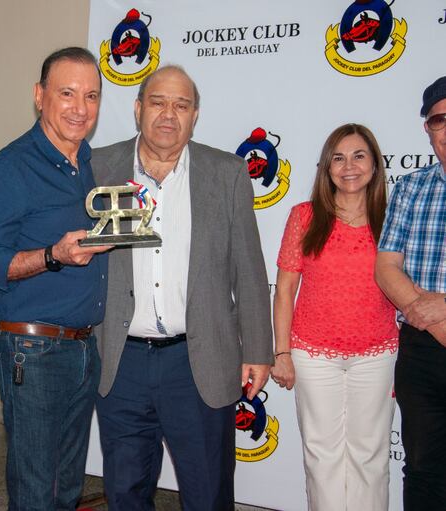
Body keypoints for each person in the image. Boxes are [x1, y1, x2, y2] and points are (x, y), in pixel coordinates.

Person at [92, 65, 273, 511]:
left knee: (207, 493)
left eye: (181, 105)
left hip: (199, 363)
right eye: (157, 102)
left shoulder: (226, 172)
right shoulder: (99, 166)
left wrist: (258, 350)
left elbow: (248, 269)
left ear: (195, 116)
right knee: (124, 492)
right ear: (138, 110)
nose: (168, 114)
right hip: (121, 362)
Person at [0, 47, 110, 510]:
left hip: (84, 346)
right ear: (39, 96)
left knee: (65, 490)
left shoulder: (92, 166)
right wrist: (53, 255)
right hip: (34, 351)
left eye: (90, 95)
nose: (80, 107)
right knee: (35, 492)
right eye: (67, 93)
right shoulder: (12, 167)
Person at [270, 123, 398, 510]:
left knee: (370, 457)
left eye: (358, 156)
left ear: (375, 165)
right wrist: (282, 353)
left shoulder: (392, 218)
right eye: (338, 158)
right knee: (321, 456)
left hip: (377, 355)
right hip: (312, 355)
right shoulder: (304, 217)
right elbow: (285, 291)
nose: (348, 167)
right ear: (326, 168)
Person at [375, 76, 446, 509]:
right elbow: (387, 268)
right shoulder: (410, 188)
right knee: (422, 466)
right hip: (421, 353)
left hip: (428, 326)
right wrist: (436, 321)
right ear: (428, 129)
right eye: (441, 120)